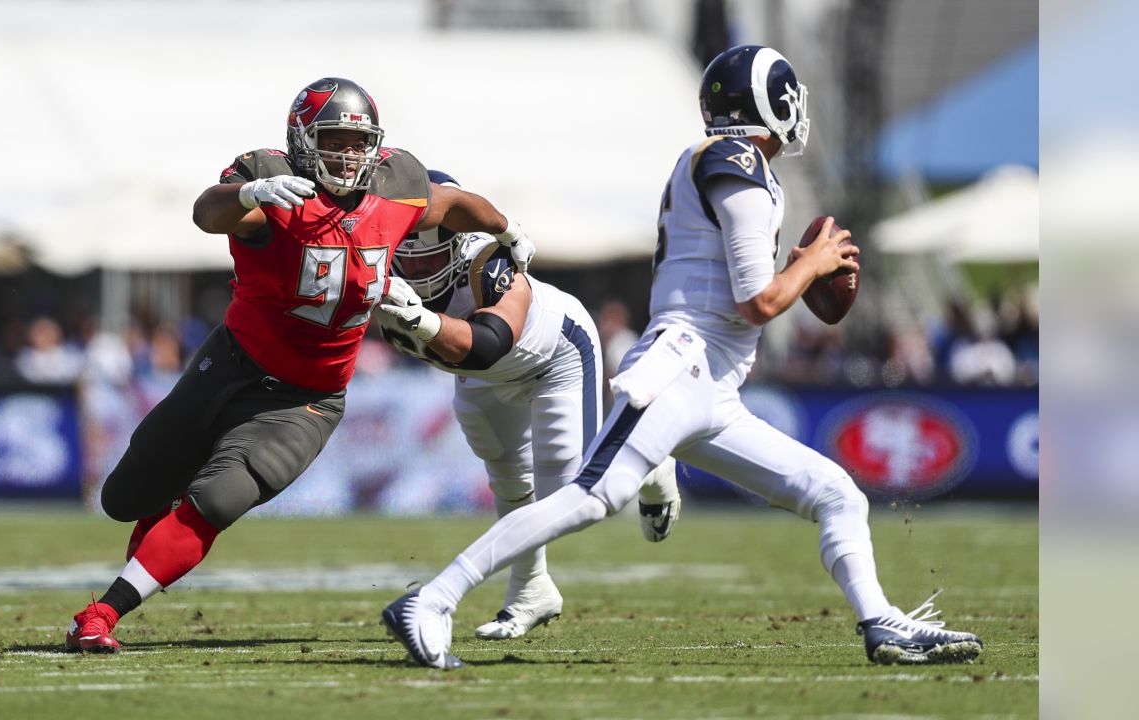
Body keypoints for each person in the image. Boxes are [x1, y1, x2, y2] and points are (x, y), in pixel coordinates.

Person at [382, 46, 983, 669]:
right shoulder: (736, 160)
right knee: (591, 497)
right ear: (775, 103)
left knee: (836, 493)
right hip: (683, 364)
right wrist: (812, 265)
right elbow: (757, 302)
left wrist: (804, 273)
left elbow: (742, 292)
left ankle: (881, 622)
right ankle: (433, 598)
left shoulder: (729, 161)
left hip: (713, 387)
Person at [62, 76, 536, 653]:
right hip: (231, 362)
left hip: (307, 399)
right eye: (334, 139)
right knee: (124, 499)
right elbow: (204, 213)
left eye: (360, 143)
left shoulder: (397, 185)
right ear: (302, 139)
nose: (348, 154)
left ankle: (101, 614)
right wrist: (249, 194)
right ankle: (162, 521)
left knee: (218, 501)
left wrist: (506, 229)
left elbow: (456, 203)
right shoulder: (271, 184)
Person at [374, 171, 681, 639]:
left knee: (571, 494)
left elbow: (489, 342)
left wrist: (423, 321)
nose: (415, 271)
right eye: (406, 259)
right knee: (510, 484)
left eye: (428, 255)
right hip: (478, 376)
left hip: (551, 356)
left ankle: (649, 457)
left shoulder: (486, 262)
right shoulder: (373, 268)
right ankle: (530, 590)